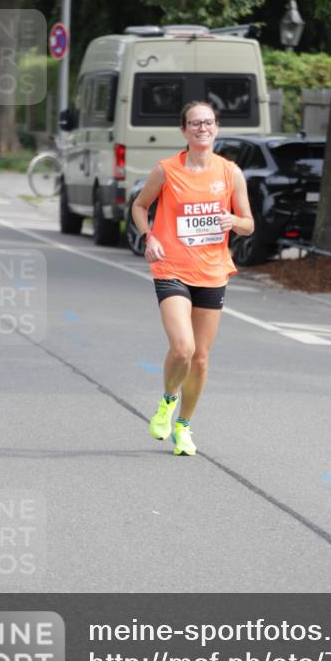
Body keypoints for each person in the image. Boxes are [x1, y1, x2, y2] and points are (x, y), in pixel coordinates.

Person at [131, 101, 254, 456]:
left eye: (209, 122)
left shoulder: (230, 173)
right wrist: (149, 237)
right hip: (171, 267)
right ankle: (168, 400)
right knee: (182, 348)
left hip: (213, 271)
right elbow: (140, 206)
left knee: (200, 357)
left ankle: (183, 425)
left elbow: (249, 223)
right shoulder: (167, 170)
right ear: (184, 131)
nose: (203, 128)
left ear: (216, 128)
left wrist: (235, 222)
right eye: (195, 123)